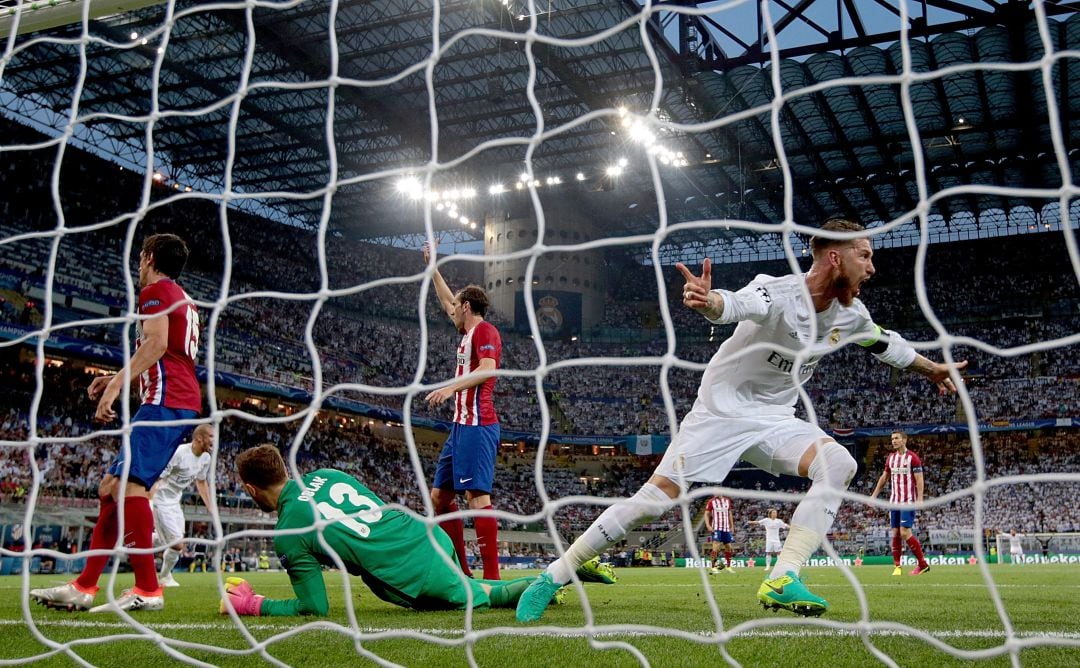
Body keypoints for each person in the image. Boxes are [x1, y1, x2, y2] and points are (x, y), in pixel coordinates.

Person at [515, 218, 967, 622]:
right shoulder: (778, 292)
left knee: (839, 464)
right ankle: (553, 576)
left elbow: (889, 346)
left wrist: (933, 370)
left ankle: (782, 576)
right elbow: (734, 305)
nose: (871, 268)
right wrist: (708, 300)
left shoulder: (851, 316)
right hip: (721, 413)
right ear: (835, 256)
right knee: (652, 503)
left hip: (776, 420)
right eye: (864, 256)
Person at [220, 444, 613, 617]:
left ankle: (565, 572)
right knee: (479, 592)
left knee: (489, 597)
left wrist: (251, 604)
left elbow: (314, 608)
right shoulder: (327, 474)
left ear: (252, 489)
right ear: (284, 471)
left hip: (415, 573)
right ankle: (562, 577)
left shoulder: (289, 530)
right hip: (426, 533)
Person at [30, 233, 201, 613]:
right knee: (110, 487)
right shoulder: (182, 297)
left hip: (166, 401)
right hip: (172, 398)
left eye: (141, 257)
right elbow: (167, 353)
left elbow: (155, 345)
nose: (138, 265)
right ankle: (84, 585)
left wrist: (117, 386)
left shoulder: (155, 291)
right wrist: (114, 377)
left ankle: (147, 588)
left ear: (150, 257)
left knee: (131, 488)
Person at [423, 242, 503, 580]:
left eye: (457, 306)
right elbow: (444, 300)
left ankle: (492, 578)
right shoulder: (466, 332)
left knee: (477, 498)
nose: (451, 309)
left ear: (467, 306)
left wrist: (450, 387)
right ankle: (463, 572)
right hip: (459, 427)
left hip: (477, 424)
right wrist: (433, 268)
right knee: (439, 498)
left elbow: (488, 369)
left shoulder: (485, 331)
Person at [150, 424, 214, 587]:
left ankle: (136, 540)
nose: (214, 441)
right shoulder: (178, 453)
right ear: (199, 439)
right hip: (161, 500)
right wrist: (149, 502)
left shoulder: (206, 458)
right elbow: (157, 478)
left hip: (174, 501)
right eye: (211, 437)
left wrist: (211, 507)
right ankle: (164, 577)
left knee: (169, 539)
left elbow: (201, 481)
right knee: (177, 544)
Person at [869, 431, 930, 576]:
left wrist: (920, 499)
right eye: (892, 439)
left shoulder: (912, 458)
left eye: (896, 438)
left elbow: (919, 479)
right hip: (894, 502)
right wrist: (873, 496)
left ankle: (922, 564)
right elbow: (884, 478)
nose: (893, 441)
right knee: (896, 532)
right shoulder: (891, 458)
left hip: (907, 501)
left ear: (904, 440)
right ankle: (897, 566)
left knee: (904, 532)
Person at [704, 494, 735, 574]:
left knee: (728, 546)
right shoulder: (711, 501)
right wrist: (708, 525)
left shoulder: (727, 501)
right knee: (716, 546)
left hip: (726, 528)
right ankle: (713, 567)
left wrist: (732, 526)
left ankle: (728, 567)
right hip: (716, 528)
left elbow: (730, 514)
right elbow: (706, 514)